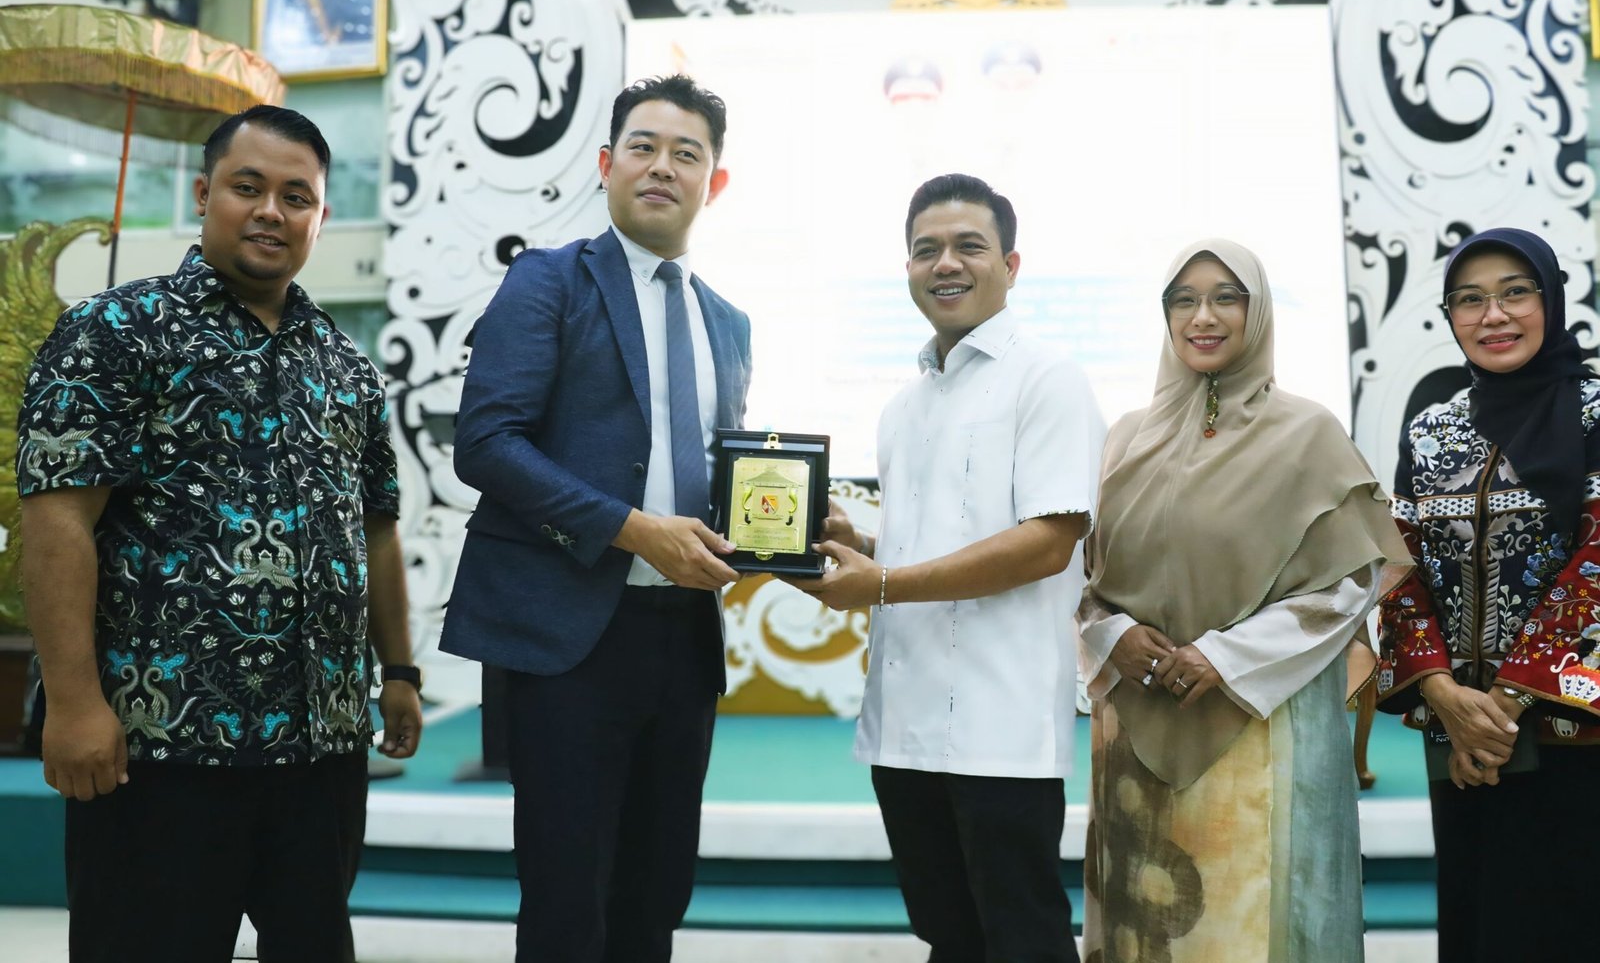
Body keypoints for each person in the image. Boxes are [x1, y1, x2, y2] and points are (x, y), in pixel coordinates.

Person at [16, 104, 423, 962]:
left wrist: (398, 672)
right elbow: (57, 519)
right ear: (204, 195)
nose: (272, 211)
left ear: (320, 216)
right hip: (158, 745)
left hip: (320, 749)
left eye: (296, 197)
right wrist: (76, 702)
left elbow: (376, 531)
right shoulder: (116, 330)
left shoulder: (344, 367)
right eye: (248, 187)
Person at [441, 75, 751, 962]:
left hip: (683, 641)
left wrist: (787, 528)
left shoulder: (729, 322)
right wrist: (632, 528)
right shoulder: (548, 280)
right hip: (569, 639)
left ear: (714, 182)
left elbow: (721, 474)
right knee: (568, 903)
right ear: (609, 164)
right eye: (643, 147)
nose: (662, 167)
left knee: (657, 895)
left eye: (686, 153)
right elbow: (487, 443)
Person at [793, 173, 1103, 962]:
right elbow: (932, 545)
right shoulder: (904, 406)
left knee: (1024, 937)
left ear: (1011, 265)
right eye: (926, 249)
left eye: (970, 246)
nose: (946, 264)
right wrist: (861, 548)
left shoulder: (1048, 378)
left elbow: (1049, 542)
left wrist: (882, 583)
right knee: (948, 936)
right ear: (907, 268)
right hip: (902, 724)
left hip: (1000, 724)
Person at [1077, 240, 1407, 963]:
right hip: (1136, 720)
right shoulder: (1125, 438)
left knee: (1256, 921)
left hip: (1263, 724)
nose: (1204, 316)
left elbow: (1347, 585)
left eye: (1226, 297)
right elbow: (1084, 576)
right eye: (1184, 300)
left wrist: (1224, 657)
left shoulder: (1308, 433)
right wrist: (1114, 636)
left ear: (1257, 313)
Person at [1376, 227, 1600, 961]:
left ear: (1552, 298)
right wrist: (1441, 691)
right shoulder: (1432, 429)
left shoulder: (1594, 411)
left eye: (1514, 293)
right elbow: (1400, 569)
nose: (1493, 315)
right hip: (1461, 741)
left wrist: (1505, 703)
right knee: (1481, 926)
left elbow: (1597, 564)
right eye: (1469, 300)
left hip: (1575, 737)